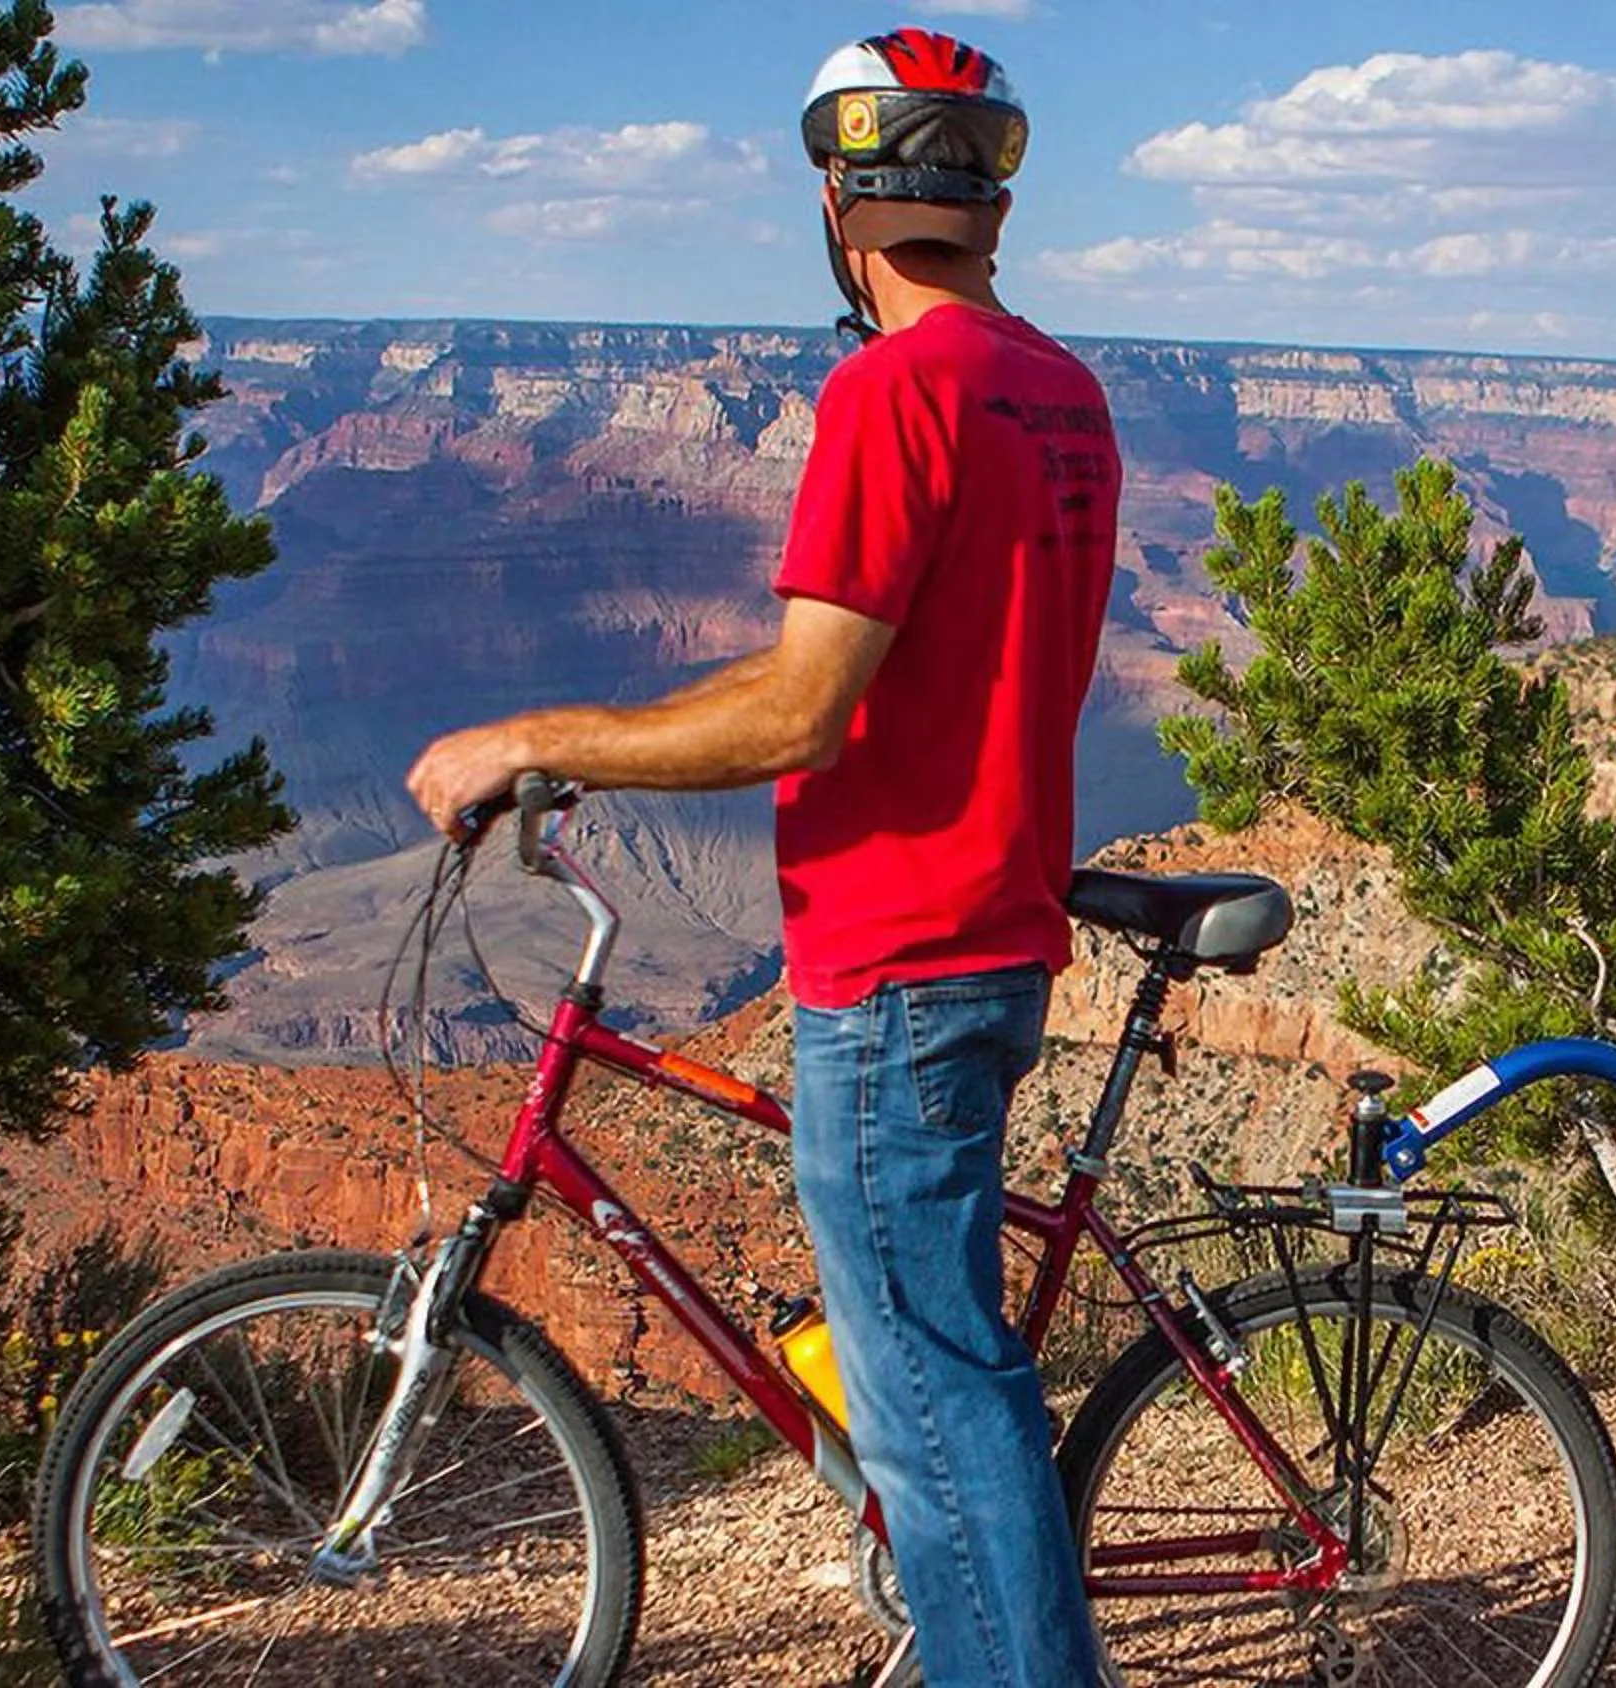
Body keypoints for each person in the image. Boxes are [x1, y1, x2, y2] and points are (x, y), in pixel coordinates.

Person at [405, 26, 1117, 1687]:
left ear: (839, 200)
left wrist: (535, 740)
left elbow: (798, 715)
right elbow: (844, 664)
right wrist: (601, 716)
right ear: (991, 197)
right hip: (990, 933)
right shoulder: (1054, 388)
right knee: (947, 1384)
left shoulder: (892, 391)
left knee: (940, 1410)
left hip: (896, 961)